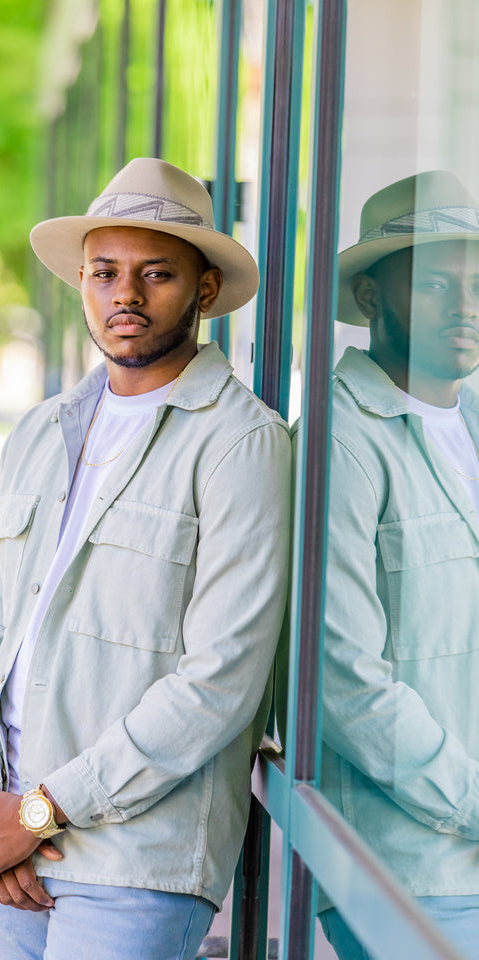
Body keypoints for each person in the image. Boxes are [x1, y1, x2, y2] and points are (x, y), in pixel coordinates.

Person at [0, 157, 291, 960]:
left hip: (137, 856)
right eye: (105, 273)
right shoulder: (40, 431)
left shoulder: (239, 441)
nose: (125, 295)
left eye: (156, 274)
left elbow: (222, 680)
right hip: (4, 841)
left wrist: (37, 814)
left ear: (203, 292)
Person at [318, 170, 479, 960]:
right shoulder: (341, 441)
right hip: (407, 873)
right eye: (437, 283)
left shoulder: (473, 421)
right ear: (374, 298)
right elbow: (342, 678)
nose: (468, 305)